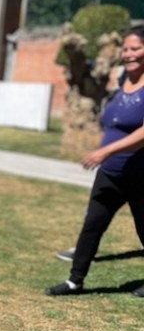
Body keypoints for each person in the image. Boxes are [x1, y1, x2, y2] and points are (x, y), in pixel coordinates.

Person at [46, 27, 144, 297]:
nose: (129, 54)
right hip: (110, 173)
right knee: (92, 225)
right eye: (125, 49)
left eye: (135, 48)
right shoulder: (122, 80)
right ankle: (74, 281)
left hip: (139, 174)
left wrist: (106, 151)